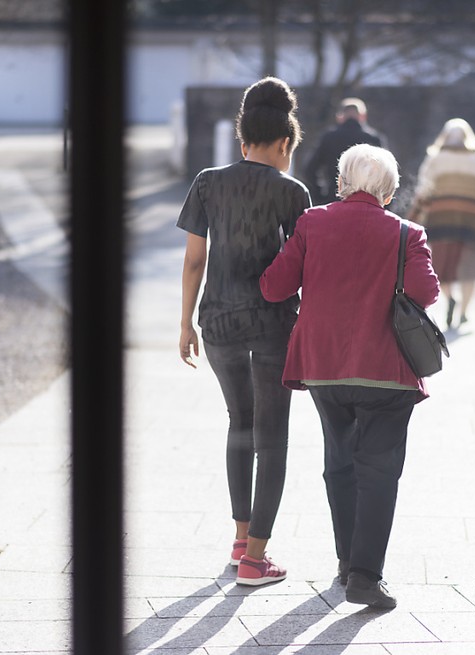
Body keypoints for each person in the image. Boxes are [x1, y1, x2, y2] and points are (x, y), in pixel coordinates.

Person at [260, 144, 439, 609]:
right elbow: (425, 292)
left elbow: (275, 286)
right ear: (390, 190)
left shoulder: (312, 222)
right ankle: (364, 575)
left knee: (340, 461)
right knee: (378, 470)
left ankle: (345, 562)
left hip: (324, 367)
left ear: (340, 182)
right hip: (387, 370)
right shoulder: (407, 233)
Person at [177, 77, 311, 587]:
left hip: (218, 321)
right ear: (284, 144)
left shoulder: (208, 182)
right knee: (272, 436)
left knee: (239, 422)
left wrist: (185, 321)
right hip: (273, 324)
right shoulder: (292, 191)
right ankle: (256, 558)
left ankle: (239, 542)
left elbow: (195, 260)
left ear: (241, 142)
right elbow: (304, 264)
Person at [410, 118, 475, 329]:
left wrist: (413, 219)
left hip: (441, 222)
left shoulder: (434, 159)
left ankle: (451, 298)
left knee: (442, 268)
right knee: (468, 270)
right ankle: (464, 312)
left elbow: (423, 192)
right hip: (472, 223)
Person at [301, 97, 386, 204]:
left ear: (339, 117)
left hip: (334, 199)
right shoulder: (373, 139)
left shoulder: (328, 138)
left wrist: (321, 196)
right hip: (367, 202)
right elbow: (385, 174)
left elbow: (309, 170)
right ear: (363, 116)